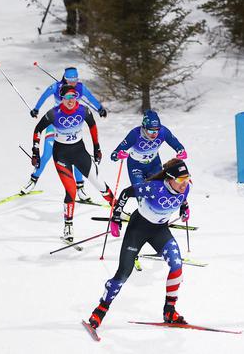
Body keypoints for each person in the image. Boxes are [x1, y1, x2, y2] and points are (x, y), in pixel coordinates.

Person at [87, 159, 192, 329]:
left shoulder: (186, 186)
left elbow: (183, 198)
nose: (184, 183)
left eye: (186, 177)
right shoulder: (154, 188)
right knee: (123, 274)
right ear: (170, 178)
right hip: (138, 229)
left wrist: (185, 208)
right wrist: (115, 218)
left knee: (177, 266)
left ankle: (169, 310)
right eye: (180, 179)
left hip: (159, 231)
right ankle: (100, 309)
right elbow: (125, 193)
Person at [31, 85, 114, 242]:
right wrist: (35, 151)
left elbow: (93, 126)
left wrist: (97, 148)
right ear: (62, 98)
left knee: (99, 183)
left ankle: (117, 210)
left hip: (80, 152)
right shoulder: (54, 113)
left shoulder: (83, 110)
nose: (71, 100)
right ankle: (68, 226)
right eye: (67, 97)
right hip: (62, 155)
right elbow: (38, 129)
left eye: (73, 97)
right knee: (71, 191)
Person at [22, 66, 107, 202]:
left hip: (72, 125)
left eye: (75, 79)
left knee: (78, 156)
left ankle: (80, 188)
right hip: (55, 124)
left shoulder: (80, 88)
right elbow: (44, 95)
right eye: (70, 80)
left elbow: (90, 97)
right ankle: (33, 180)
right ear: (65, 78)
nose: (73, 82)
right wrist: (36, 109)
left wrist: (100, 109)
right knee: (47, 153)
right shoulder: (56, 87)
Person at [110, 110, 187, 187]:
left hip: (154, 164)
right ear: (144, 128)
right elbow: (114, 155)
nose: (154, 134)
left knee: (157, 188)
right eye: (150, 131)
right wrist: (118, 155)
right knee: (140, 191)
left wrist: (181, 151)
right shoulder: (135, 134)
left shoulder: (163, 132)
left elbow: (173, 141)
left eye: (157, 130)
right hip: (135, 165)